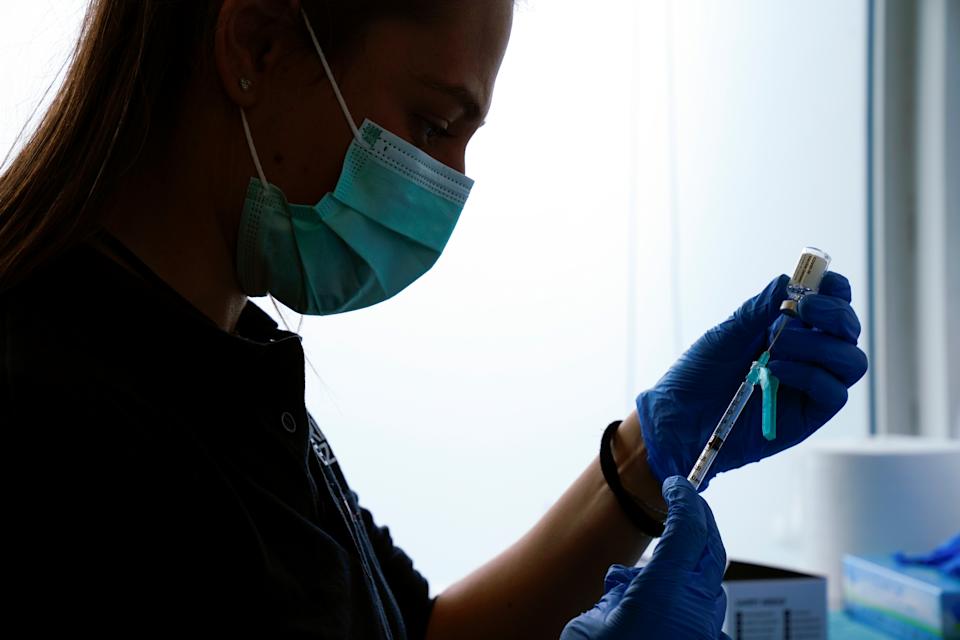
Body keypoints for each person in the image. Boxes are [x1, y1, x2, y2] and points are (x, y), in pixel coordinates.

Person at [0, 1, 868, 637]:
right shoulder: (55, 422)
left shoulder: (229, 355)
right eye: (435, 120)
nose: (448, 181)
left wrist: (646, 456)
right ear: (256, 44)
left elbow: (422, 635)